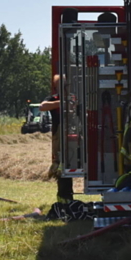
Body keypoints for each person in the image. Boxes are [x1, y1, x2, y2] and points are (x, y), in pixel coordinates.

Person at [40, 74, 74, 202]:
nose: (63, 87)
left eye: (65, 85)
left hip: (75, 137)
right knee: (61, 168)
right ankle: (64, 199)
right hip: (59, 138)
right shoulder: (53, 99)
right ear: (56, 87)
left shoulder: (75, 98)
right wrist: (62, 102)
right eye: (60, 85)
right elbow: (42, 106)